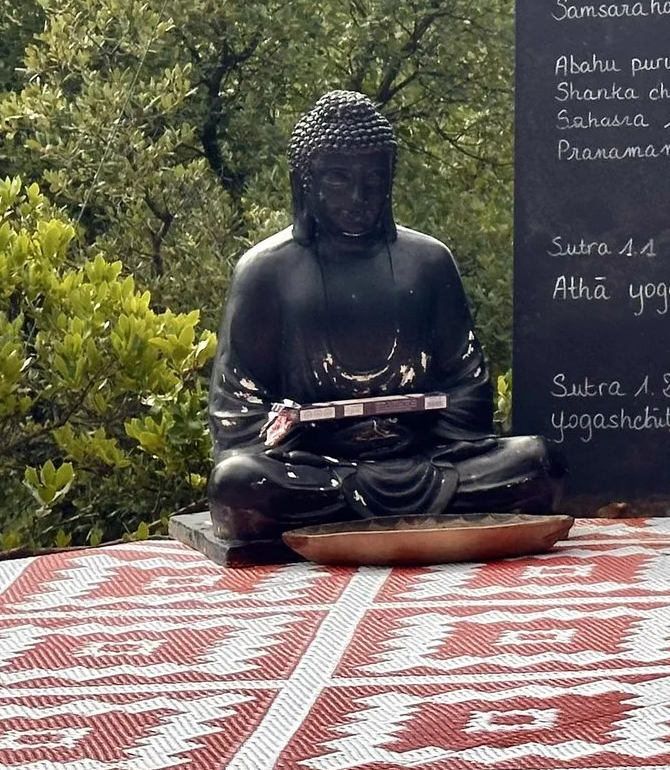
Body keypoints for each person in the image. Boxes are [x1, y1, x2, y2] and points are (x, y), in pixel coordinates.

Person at [206, 91, 558, 542]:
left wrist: (420, 424)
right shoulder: (266, 271)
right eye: (338, 179)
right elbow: (237, 408)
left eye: (374, 180)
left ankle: (359, 514)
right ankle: (363, 506)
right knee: (241, 483)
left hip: (423, 461)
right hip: (316, 468)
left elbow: (469, 387)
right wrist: (301, 434)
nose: (358, 197)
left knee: (538, 463)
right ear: (304, 182)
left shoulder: (428, 261)